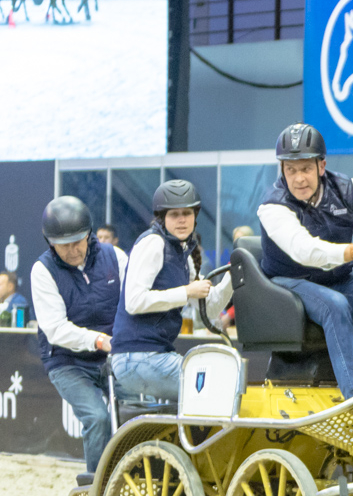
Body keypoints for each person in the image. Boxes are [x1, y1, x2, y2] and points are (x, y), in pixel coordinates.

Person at [258, 122, 353, 399]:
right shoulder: (272, 206)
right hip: (289, 282)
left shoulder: (349, 190)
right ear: (282, 170)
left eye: (305, 169)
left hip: (340, 278)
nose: (298, 178)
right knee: (335, 306)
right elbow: (305, 252)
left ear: (321, 166)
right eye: (290, 170)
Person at [109, 181, 231, 402]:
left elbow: (210, 308)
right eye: (174, 214)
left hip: (155, 356)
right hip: (136, 357)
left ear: (195, 216)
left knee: (220, 383)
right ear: (162, 217)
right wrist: (186, 291)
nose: (182, 219)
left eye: (187, 213)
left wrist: (235, 275)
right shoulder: (153, 243)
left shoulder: (182, 254)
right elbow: (134, 301)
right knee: (215, 386)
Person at [33, 197, 125, 476]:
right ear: (50, 242)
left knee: (138, 411)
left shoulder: (116, 257)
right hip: (67, 360)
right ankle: (96, 490)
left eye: (78, 241)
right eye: (63, 245)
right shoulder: (42, 270)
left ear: (89, 234)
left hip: (114, 354)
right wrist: (98, 340)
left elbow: (132, 302)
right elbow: (55, 328)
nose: (73, 250)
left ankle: (136, 475)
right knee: (97, 418)